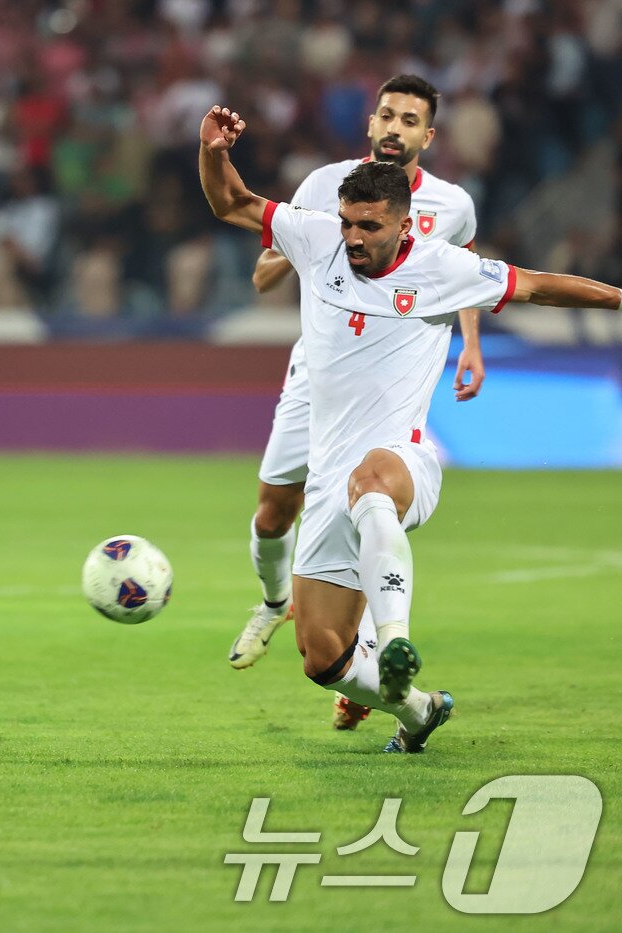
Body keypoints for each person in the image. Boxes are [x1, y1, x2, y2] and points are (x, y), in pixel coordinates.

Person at [199, 105, 622, 754]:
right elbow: (232, 203)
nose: (354, 237)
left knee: (371, 482)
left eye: (369, 226)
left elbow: (537, 287)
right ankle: (420, 710)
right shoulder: (317, 239)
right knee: (322, 656)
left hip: (405, 460)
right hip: (327, 480)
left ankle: (396, 640)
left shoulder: (441, 268)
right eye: (347, 223)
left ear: (405, 223)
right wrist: (213, 151)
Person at [228, 75, 483, 734]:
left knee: (367, 496)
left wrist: (469, 346)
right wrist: (302, 251)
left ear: (429, 136)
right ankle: (274, 598)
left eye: (410, 120)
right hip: (315, 374)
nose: (395, 129)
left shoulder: (452, 205)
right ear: (371, 124)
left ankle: (372, 650)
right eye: (387, 116)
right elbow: (266, 266)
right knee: (271, 510)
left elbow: (466, 272)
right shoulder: (322, 187)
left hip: (380, 383)